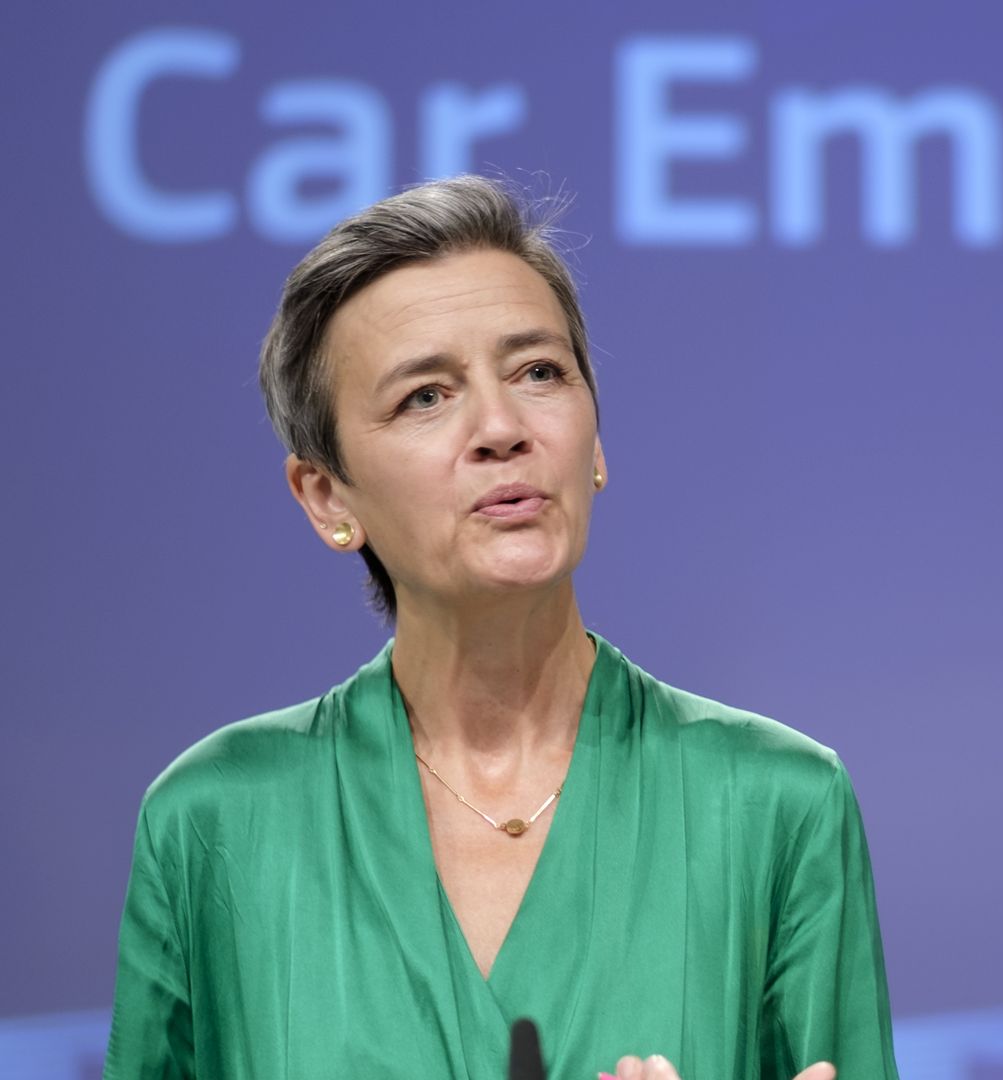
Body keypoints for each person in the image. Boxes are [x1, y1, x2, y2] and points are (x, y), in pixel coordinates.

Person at [102, 175, 900, 1080]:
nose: (500, 427)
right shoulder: (214, 821)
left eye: (538, 373)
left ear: (594, 444)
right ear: (326, 496)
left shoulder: (778, 804)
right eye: (425, 397)